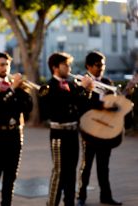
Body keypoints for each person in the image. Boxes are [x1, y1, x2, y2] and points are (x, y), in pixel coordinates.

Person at [39, 52, 93, 206]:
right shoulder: (49, 86)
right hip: (58, 134)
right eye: (66, 65)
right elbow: (57, 107)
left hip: (73, 133)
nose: (69, 68)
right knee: (59, 172)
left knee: (71, 173)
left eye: (69, 64)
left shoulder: (71, 84)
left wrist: (87, 91)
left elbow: (82, 106)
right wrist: (80, 89)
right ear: (55, 67)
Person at [0, 52, 33, 206]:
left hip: (16, 133)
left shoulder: (15, 85)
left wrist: (23, 91)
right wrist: (12, 89)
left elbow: (28, 108)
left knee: (11, 176)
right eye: (2, 64)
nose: (6, 67)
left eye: (7, 64)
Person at [76, 51, 123, 206]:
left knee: (104, 166)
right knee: (86, 165)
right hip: (89, 130)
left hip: (104, 131)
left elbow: (114, 105)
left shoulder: (107, 81)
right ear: (88, 66)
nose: (101, 67)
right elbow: (82, 104)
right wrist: (103, 105)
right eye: (98, 65)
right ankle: (81, 197)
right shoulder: (80, 81)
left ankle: (106, 196)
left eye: (103, 64)